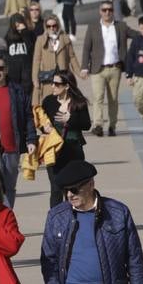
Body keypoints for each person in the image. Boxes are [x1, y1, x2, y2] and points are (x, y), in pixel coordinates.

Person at [0, 54, 36, 210]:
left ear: (6, 70)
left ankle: (6, 221)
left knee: (8, 189)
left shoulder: (17, 91)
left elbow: (28, 116)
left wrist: (31, 139)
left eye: (1, 68)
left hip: (11, 149)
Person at [38, 71, 91, 208]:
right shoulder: (48, 101)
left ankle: (73, 217)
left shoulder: (78, 102)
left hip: (74, 150)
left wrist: (70, 119)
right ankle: (56, 219)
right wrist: (45, 128)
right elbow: (41, 121)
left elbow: (86, 124)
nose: (52, 86)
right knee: (55, 189)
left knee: (73, 188)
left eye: (57, 84)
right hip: (54, 151)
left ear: (67, 86)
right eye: (52, 83)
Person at [78, 0, 130, 137]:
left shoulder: (121, 26)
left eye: (110, 10)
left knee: (113, 99)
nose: (107, 12)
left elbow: (138, 35)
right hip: (97, 69)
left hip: (115, 68)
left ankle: (112, 126)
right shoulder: (93, 27)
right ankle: (98, 125)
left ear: (113, 11)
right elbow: (86, 48)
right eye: (104, 10)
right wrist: (84, 67)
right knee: (98, 97)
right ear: (100, 12)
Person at [31, 13, 74, 106]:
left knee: (64, 104)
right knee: (48, 105)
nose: (51, 28)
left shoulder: (65, 38)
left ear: (58, 25)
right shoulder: (40, 40)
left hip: (62, 78)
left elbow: (72, 57)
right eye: (48, 26)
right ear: (45, 27)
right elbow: (36, 60)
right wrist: (35, 79)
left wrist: (80, 72)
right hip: (47, 79)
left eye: (54, 26)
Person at [1, 14, 34, 92]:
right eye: (16, 26)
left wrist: (24, 32)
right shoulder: (8, 37)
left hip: (27, 70)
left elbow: (31, 49)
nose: (18, 28)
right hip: (13, 71)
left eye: (20, 24)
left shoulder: (29, 34)